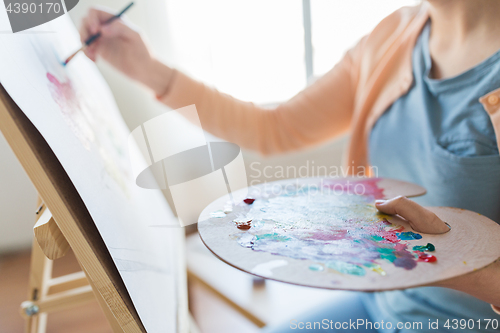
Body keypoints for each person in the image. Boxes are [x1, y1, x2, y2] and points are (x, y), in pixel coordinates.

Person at [80, 0, 500, 331]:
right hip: (378, 304)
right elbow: (273, 129)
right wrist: (149, 71)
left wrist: (433, 256)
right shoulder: (394, 36)